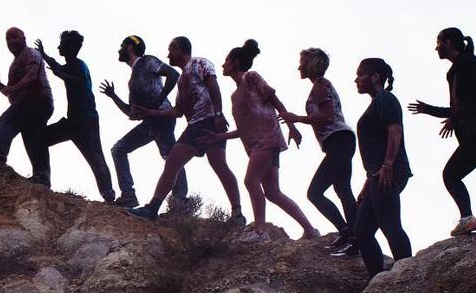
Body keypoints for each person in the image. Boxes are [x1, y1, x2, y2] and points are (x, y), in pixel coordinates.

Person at [203, 40, 320, 243]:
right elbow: (244, 129)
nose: (223, 65)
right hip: (257, 145)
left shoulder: (251, 77)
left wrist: (292, 126)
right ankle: (310, 229)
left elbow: (273, 99)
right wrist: (219, 137)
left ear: (235, 63)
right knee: (273, 192)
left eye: (226, 61)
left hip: (268, 140)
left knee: (250, 180)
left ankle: (260, 231)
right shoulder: (234, 95)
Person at [126, 36, 245, 224]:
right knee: (175, 164)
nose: (167, 54)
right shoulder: (182, 81)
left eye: (170, 49)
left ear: (179, 49)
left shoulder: (199, 63)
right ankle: (153, 208)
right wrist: (150, 112)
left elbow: (213, 84)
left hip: (207, 122)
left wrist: (219, 114)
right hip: (195, 126)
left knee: (212, 166)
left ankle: (237, 214)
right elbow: (178, 111)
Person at [408, 28, 476, 236]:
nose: (436, 47)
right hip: (471, 133)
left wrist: (454, 118)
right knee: (453, 174)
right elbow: (456, 108)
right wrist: (428, 109)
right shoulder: (453, 71)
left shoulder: (470, 63)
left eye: (438, 42)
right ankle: (470, 219)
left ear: (447, 42)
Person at [280, 48, 358, 253]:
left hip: (338, 140)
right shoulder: (319, 86)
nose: (299, 66)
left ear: (312, 63)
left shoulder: (321, 85)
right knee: (342, 189)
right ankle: (352, 234)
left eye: (302, 61)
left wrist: (297, 118)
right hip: (339, 141)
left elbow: (328, 115)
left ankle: (352, 234)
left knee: (316, 192)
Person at [99, 36, 188, 208]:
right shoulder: (133, 80)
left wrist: (157, 102)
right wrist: (113, 96)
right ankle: (128, 195)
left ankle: (180, 203)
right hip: (149, 123)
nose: (119, 49)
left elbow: (174, 75)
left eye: (122, 45)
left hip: (162, 118)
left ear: (130, 47)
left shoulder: (148, 61)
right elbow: (132, 112)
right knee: (118, 150)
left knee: (171, 158)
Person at [35, 32, 115, 203]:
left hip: (86, 121)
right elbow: (58, 67)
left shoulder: (79, 65)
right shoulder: (71, 65)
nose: (59, 47)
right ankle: (42, 176)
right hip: (72, 122)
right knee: (41, 138)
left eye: (62, 44)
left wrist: (59, 72)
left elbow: (79, 81)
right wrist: (44, 55)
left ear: (71, 46)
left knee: (95, 156)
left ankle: (109, 196)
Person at [352, 58, 412, 277]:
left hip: (389, 171)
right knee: (362, 230)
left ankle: (407, 273)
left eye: (360, 75)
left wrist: (388, 165)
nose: (356, 80)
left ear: (375, 77)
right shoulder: (376, 102)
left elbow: (395, 130)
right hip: (378, 174)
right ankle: (377, 279)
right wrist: (368, 183)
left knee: (390, 224)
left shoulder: (385, 99)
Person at [0, 27, 54, 185]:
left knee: (6, 121)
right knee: (33, 137)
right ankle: (42, 176)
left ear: (24, 38)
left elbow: (31, 76)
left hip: (36, 98)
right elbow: (9, 93)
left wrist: (13, 88)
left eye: (15, 37)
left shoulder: (30, 53)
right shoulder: (14, 64)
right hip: (30, 102)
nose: (11, 41)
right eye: (8, 39)